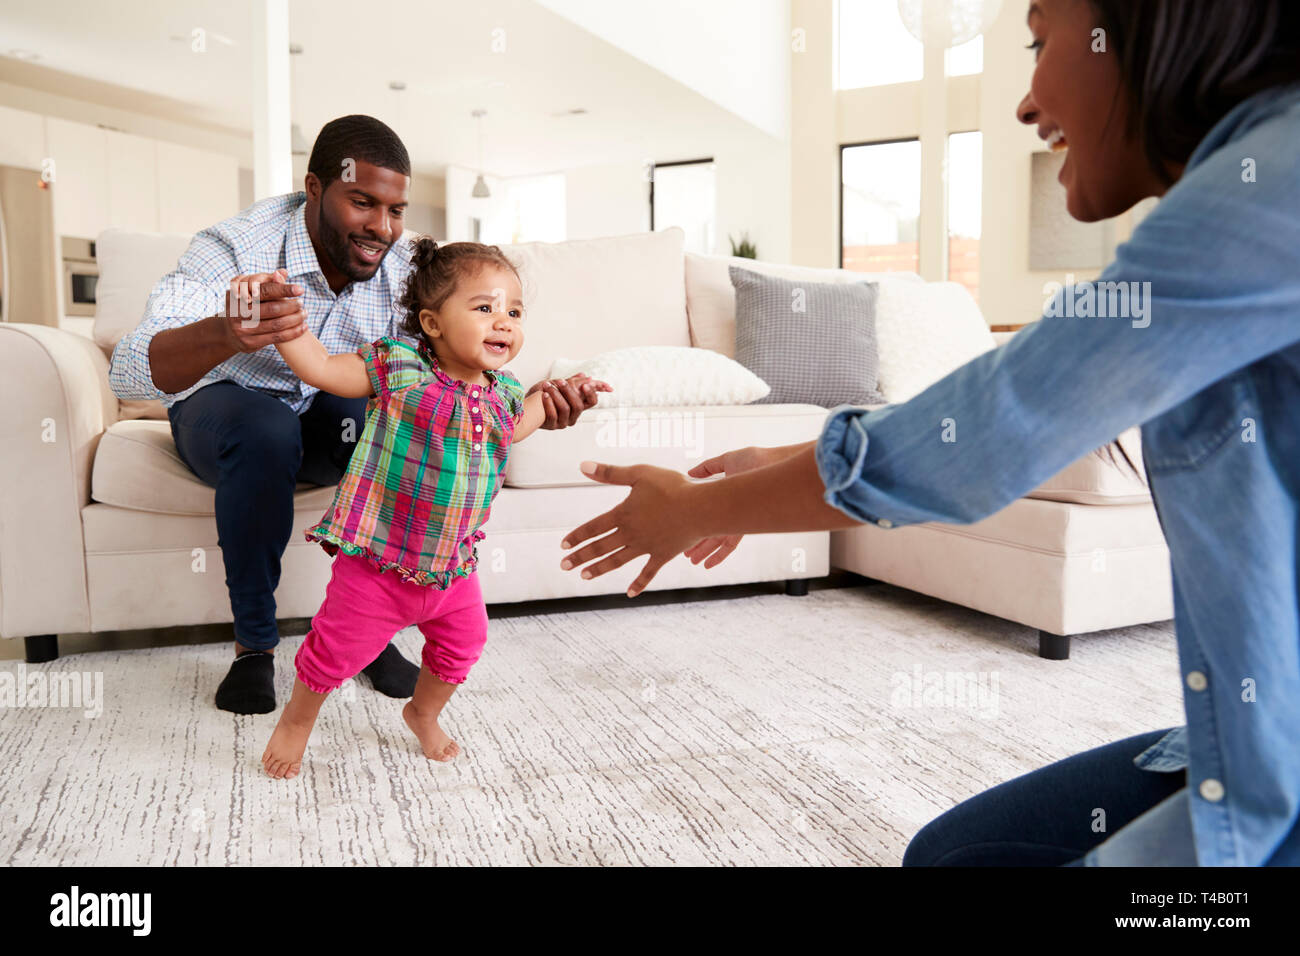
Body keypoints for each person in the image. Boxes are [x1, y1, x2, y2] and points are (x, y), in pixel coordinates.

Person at [556, 0, 1300, 865]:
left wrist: (696, 507)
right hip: (1247, 738)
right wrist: (774, 469)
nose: (1025, 103)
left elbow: (986, 432)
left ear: (1142, 31)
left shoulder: (1263, 197)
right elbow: (1010, 413)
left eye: (1038, 41)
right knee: (954, 854)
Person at [109, 115, 601, 715]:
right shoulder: (236, 246)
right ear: (315, 189)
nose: (383, 227)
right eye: (362, 203)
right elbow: (130, 368)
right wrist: (227, 331)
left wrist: (536, 406)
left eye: (395, 210)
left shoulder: (405, 268)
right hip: (226, 410)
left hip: (327, 409)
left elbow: (444, 374)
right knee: (266, 427)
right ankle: (254, 648)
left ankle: (364, 631)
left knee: (384, 414)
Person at [259, 239, 610, 777]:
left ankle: (422, 712)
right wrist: (284, 321)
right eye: (485, 307)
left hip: (452, 571)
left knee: (464, 647)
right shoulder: (400, 369)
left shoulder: (505, 393)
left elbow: (519, 425)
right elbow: (322, 368)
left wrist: (569, 391)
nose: (504, 322)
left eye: (514, 312)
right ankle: (298, 721)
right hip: (378, 566)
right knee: (334, 654)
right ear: (433, 322)